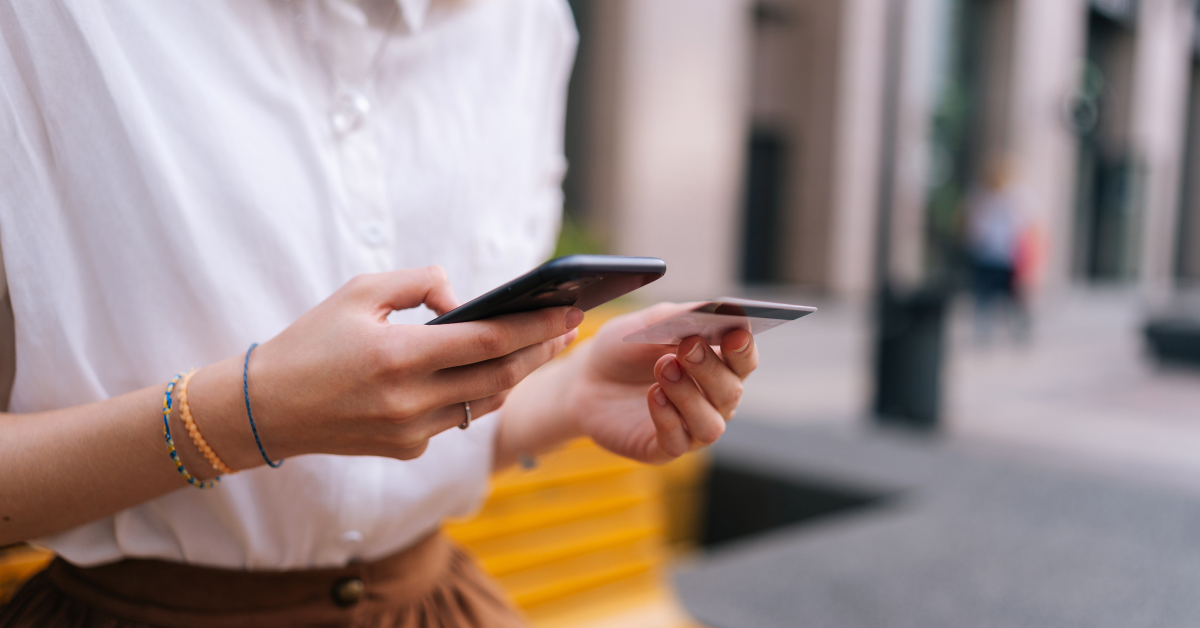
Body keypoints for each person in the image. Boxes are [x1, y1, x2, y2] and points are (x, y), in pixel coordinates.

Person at [0, 1, 756, 626]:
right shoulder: (53, 25)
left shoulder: (526, 22)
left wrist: (571, 390)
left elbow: (385, 459)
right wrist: (251, 414)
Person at [965, 156, 1035, 344]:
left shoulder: (1014, 197)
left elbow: (1023, 224)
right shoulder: (980, 196)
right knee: (985, 299)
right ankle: (985, 333)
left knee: (1012, 299)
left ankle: (1020, 332)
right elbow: (974, 226)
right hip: (988, 256)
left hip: (1006, 256)